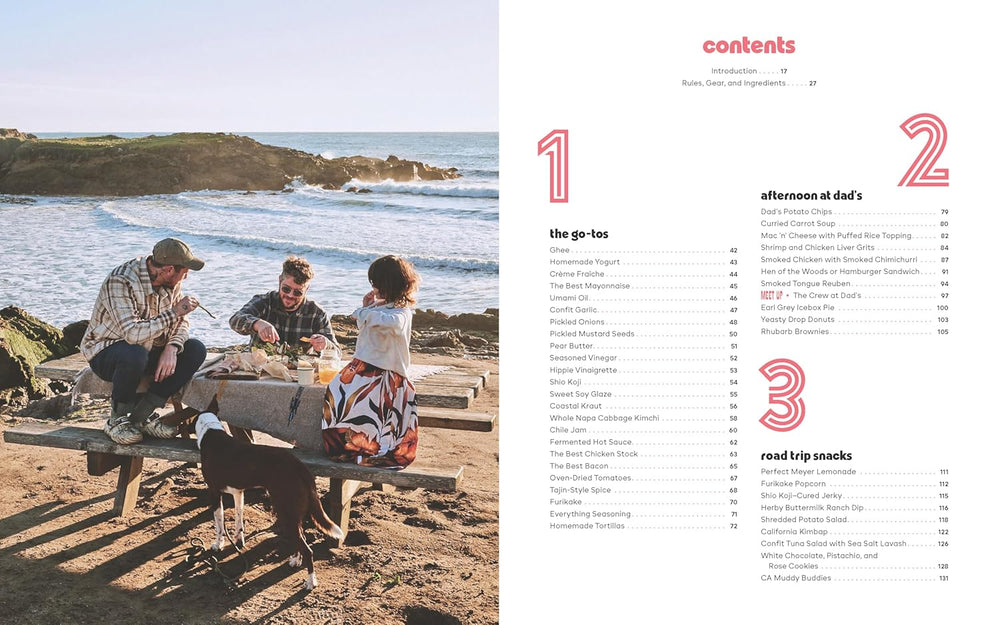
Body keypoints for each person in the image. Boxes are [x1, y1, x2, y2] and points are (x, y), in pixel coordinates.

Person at [82, 238, 208, 445]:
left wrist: (172, 347)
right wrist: (175, 312)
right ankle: (117, 420)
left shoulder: (170, 283)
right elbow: (132, 334)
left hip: (149, 350)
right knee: (135, 352)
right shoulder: (120, 281)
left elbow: (182, 322)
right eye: (184, 272)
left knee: (195, 349)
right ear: (168, 270)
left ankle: (142, 416)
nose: (186, 277)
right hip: (107, 352)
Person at [320, 255, 420, 468]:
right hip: (362, 366)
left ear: (390, 284)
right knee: (335, 391)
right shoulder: (378, 308)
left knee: (367, 406)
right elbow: (367, 329)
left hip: (386, 373)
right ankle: (346, 447)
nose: (373, 288)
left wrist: (364, 311)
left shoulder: (402, 313)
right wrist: (369, 308)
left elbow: (388, 323)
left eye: (377, 283)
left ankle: (371, 448)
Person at [229, 256, 339, 354]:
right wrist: (257, 324)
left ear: (306, 290)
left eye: (297, 292)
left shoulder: (316, 313)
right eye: (286, 289)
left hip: (297, 372)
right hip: (259, 369)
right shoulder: (264, 302)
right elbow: (235, 320)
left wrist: (325, 345)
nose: (290, 295)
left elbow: (337, 352)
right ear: (279, 281)